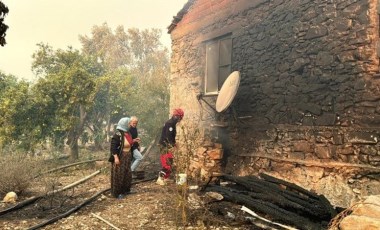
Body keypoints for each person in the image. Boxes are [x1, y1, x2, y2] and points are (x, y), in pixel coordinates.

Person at [156, 108, 184, 185]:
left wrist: (174, 143)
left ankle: (166, 178)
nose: (180, 120)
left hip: (167, 145)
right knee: (166, 163)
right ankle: (160, 178)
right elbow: (168, 137)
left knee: (170, 162)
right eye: (180, 118)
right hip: (165, 146)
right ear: (176, 116)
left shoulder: (172, 123)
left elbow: (171, 136)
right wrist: (171, 146)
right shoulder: (170, 124)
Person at [109, 117, 133, 198]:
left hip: (127, 156)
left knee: (127, 173)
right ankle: (118, 193)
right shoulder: (118, 134)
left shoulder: (128, 133)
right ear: (124, 124)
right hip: (120, 156)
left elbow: (128, 143)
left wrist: (134, 141)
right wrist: (116, 158)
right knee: (119, 175)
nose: (130, 125)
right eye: (129, 123)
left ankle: (126, 190)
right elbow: (113, 147)